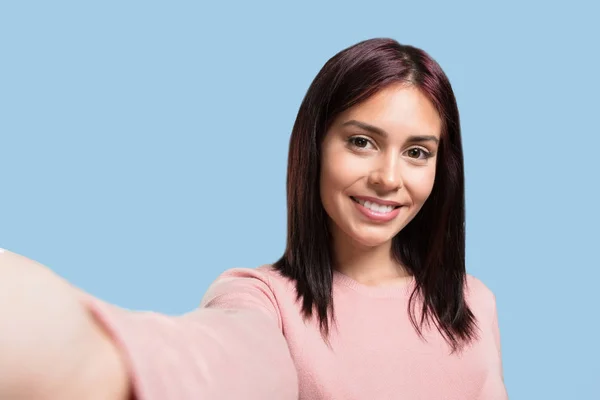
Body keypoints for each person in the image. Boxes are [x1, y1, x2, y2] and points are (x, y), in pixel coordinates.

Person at [0, 38, 507, 399]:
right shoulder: (263, 300)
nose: (388, 177)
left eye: (418, 152)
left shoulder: (473, 303)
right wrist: (96, 354)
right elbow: (221, 356)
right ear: (314, 147)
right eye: (361, 142)